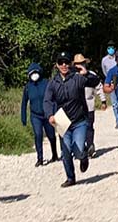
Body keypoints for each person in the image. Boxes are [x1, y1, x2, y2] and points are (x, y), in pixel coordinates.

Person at [43, 51, 101, 187]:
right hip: (62, 122)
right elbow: (47, 100)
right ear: (56, 65)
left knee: (79, 148)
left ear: (70, 64)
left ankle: (83, 156)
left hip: (79, 120)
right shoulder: (53, 83)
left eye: (66, 62)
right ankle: (70, 177)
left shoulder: (77, 78)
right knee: (66, 150)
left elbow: (95, 81)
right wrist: (49, 115)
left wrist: (85, 73)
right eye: (61, 62)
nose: (64, 65)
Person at [20, 62, 59, 166]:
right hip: (35, 115)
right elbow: (24, 102)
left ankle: (54, 154)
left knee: (51, 135)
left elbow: (54, 98)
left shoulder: (46, 83)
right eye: (32, 73)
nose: (34, 75)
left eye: (36, 72)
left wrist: (54, 112)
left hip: (47, 114)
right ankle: (40, 158)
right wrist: (23, 117)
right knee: (38, 135)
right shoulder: (28, 87)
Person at [72, 54, 98, 156]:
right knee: (78, 128)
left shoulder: (90, 74)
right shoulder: (72, 76)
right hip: (76, 108)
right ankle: (81, 147)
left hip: (89, 106)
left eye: (81, 63)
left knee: (89, 126)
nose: (79, 66)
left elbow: (96, 82)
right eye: (77, 64)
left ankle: (90, 145)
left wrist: (85, 74)